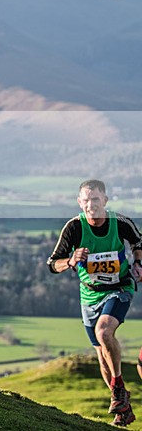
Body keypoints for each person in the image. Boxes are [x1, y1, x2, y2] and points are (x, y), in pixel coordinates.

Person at [47, 179, 142, 427]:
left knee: (104, 331)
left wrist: (138, 262)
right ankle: (123, 409)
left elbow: (139, 242)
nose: (91, 205)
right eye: (86, 200)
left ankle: (119, 388)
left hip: (119, 287)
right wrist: (70, 260)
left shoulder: (119, 223)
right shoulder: (73, 228)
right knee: (101, 355)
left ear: (105, 201)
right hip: (89, 294)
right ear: (80, 203)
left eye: (96, 200)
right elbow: (52, 263)